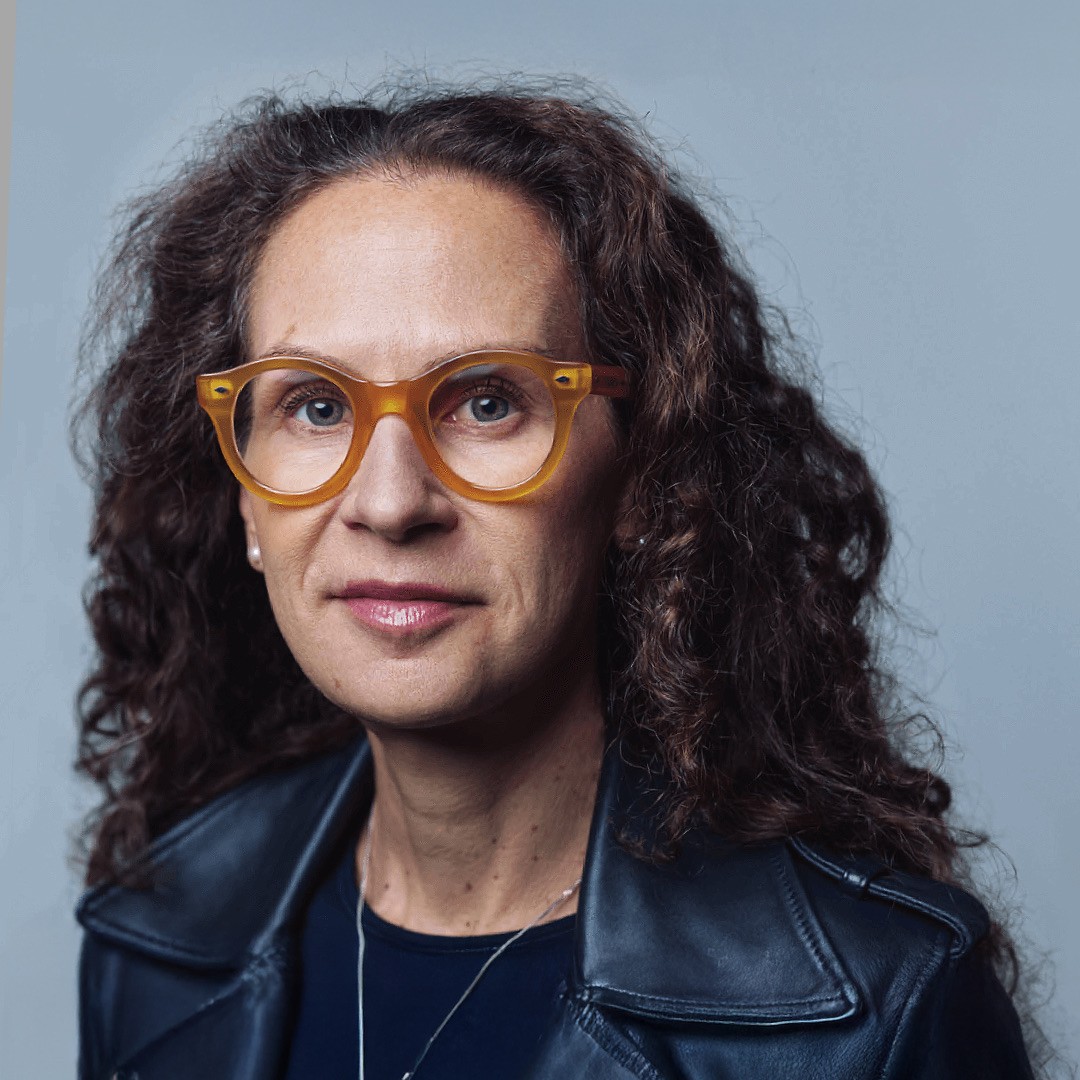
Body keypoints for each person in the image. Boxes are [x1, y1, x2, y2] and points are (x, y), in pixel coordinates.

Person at [72, 82, 1036, 1079]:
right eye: (315, 408)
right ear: (244, 506)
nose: (392, 503)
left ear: (638, 479)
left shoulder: (879, 1011)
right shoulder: (154, 943)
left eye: (486, 402)